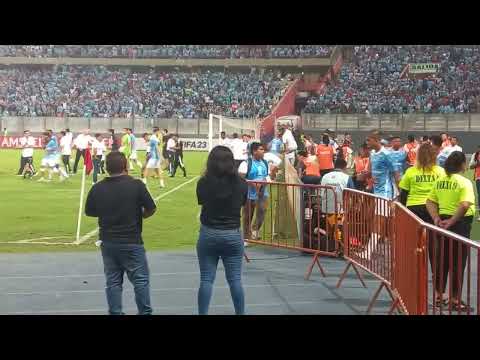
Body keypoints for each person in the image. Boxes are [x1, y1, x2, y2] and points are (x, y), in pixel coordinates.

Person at [85, 151, 156, 315]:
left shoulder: (98, 187)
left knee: (113, 281)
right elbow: (151, 208)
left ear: (106, 168)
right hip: (132, 241)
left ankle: (115, 312)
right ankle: (144, 312)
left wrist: (107, 211)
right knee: (140, 280)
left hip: (108, 242)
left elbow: (90, 211)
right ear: (125, 166)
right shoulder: (136, 185)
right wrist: (141, 215)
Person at [196, 146, 248, 315]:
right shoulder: (241, 183)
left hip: (209, 232)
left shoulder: (203, 182)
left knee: (206, 279)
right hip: (232, 233)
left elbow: (202, 201)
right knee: (235, 280)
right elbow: (242, 203)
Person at [426, 151, 476, 312]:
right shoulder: (464, 182)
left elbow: (430, 201)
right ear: (462, 165)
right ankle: (454, 299)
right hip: (459, 224)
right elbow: (465, 205)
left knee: (443, 260)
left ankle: (439, 296)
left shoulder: (440, 181)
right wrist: (453, 221)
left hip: (442, 221)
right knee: (458, 262)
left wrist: (436, 219)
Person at [399, 144, 446, 306]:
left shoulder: (411, 171)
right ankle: (440, 294)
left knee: (415, 251)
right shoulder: (440, 172)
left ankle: (411, 291)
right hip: (433, 210)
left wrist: (404, 213)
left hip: (414, 211)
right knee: (436, 253)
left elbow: (403, 195)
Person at [239, 142, 271, 244]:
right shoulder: (246, 163)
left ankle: (255, 230)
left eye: (263, 149)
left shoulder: (265, 163)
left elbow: (267, 176)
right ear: (254, 151)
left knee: (262, 211)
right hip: (249, 194)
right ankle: (246, 237)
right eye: (261, 149)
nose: (263, 151)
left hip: (263, 193)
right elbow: (240, 178)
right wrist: (253, 184)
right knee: (248, 215)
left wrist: (264, 182)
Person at [365, 130, 398, 200]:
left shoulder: (386, 154)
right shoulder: (372, 153)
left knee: (384, 211)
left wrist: (399, 192)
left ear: (376, 140)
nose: (367, 142)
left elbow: (395, 173)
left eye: (368, 140)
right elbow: (369, 172)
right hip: (375, 191)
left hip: (385, 191)